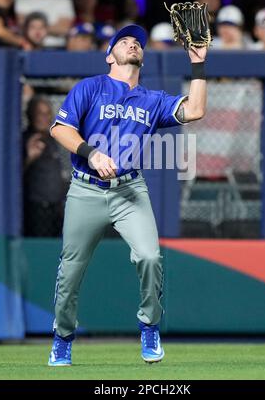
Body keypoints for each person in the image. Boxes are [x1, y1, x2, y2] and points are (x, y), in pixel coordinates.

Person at [48, 24, 207, 366]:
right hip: (86, 189)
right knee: (70, 272)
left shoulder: (151, 100)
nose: (133, 44)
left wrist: (198, 65)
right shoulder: (90, 87)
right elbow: (60, 128)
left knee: (150, 257)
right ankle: (63, 337)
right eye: (124, 41)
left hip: (130, 191)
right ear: (110, 56)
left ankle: (149, 326)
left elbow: (194, 111)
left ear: (143, 57)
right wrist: (91, 153)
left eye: (138, 42)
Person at [23, 97, 67, 237]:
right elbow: (11, 177)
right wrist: (29, 157)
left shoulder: (52, 140)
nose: (44, 118)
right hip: (36, 208)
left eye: (47, 113)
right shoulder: (24, 139)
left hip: (57, 206)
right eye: (39, 113)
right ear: (30, 115)